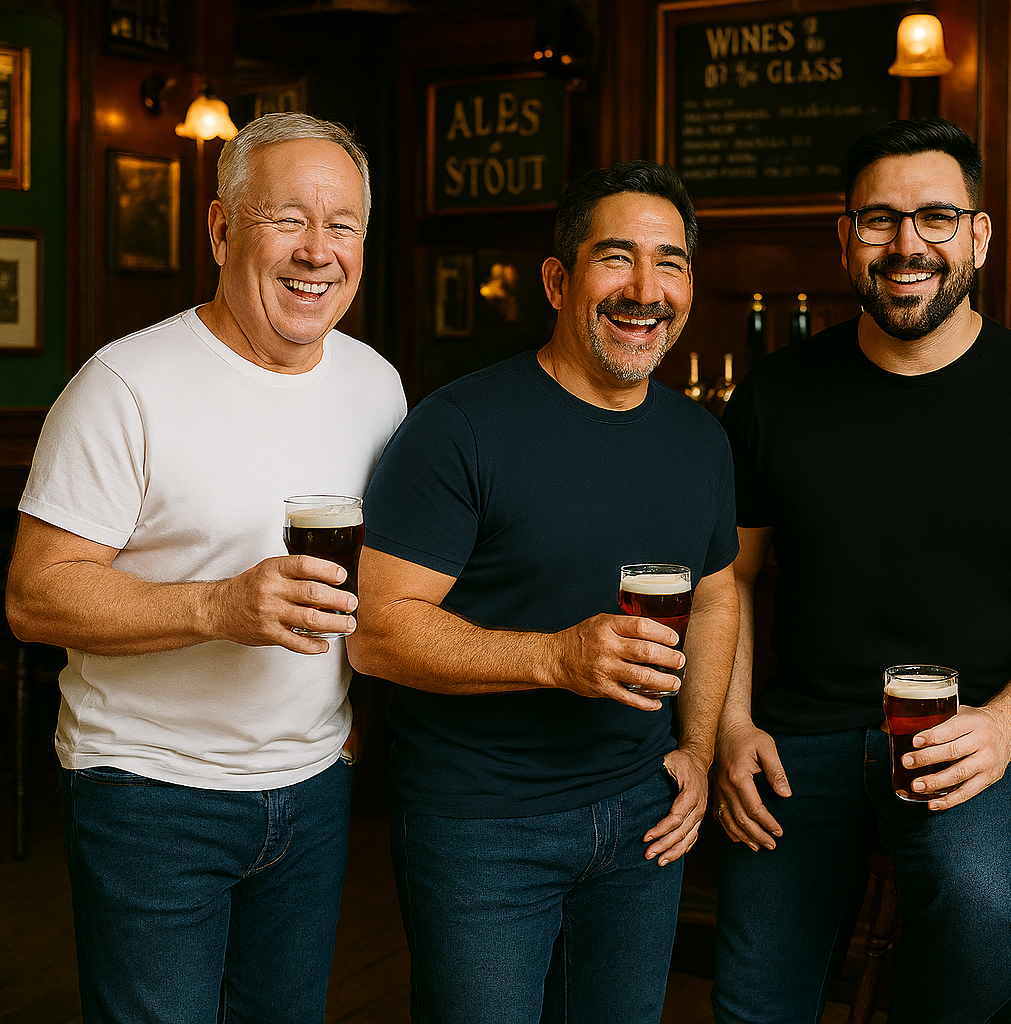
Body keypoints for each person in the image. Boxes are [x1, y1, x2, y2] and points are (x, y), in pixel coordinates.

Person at [709, 118, 1011, 1024]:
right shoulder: (777, 392)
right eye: (879, 220)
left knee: (981, 914)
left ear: (980, 236)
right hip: (801, 739)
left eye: (937, 217)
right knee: (754, 1002)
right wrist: (730, 724)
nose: (907, 245)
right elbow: (729, 580)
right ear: (845, 236)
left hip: (982, 728)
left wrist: (1005, 730)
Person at [5, 112, 405, 1023]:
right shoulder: (125, 385)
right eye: (287, 219)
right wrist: (221, 605)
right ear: (223, 229)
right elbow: (34, 595)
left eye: (342, 225)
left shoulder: (377, 384)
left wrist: (346, 734)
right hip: (150, 796)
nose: (318, 252)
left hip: (310, 791)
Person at [345, 160, 738, 1024]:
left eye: (669, 263)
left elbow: (715, 598)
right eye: (616, 258)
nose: (645, 288)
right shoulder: (458, 428)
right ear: (559, 280)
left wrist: (699, 751)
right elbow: (378, 632)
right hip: (480, 823)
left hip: (644, 811)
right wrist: (558, 657)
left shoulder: (700, 442)